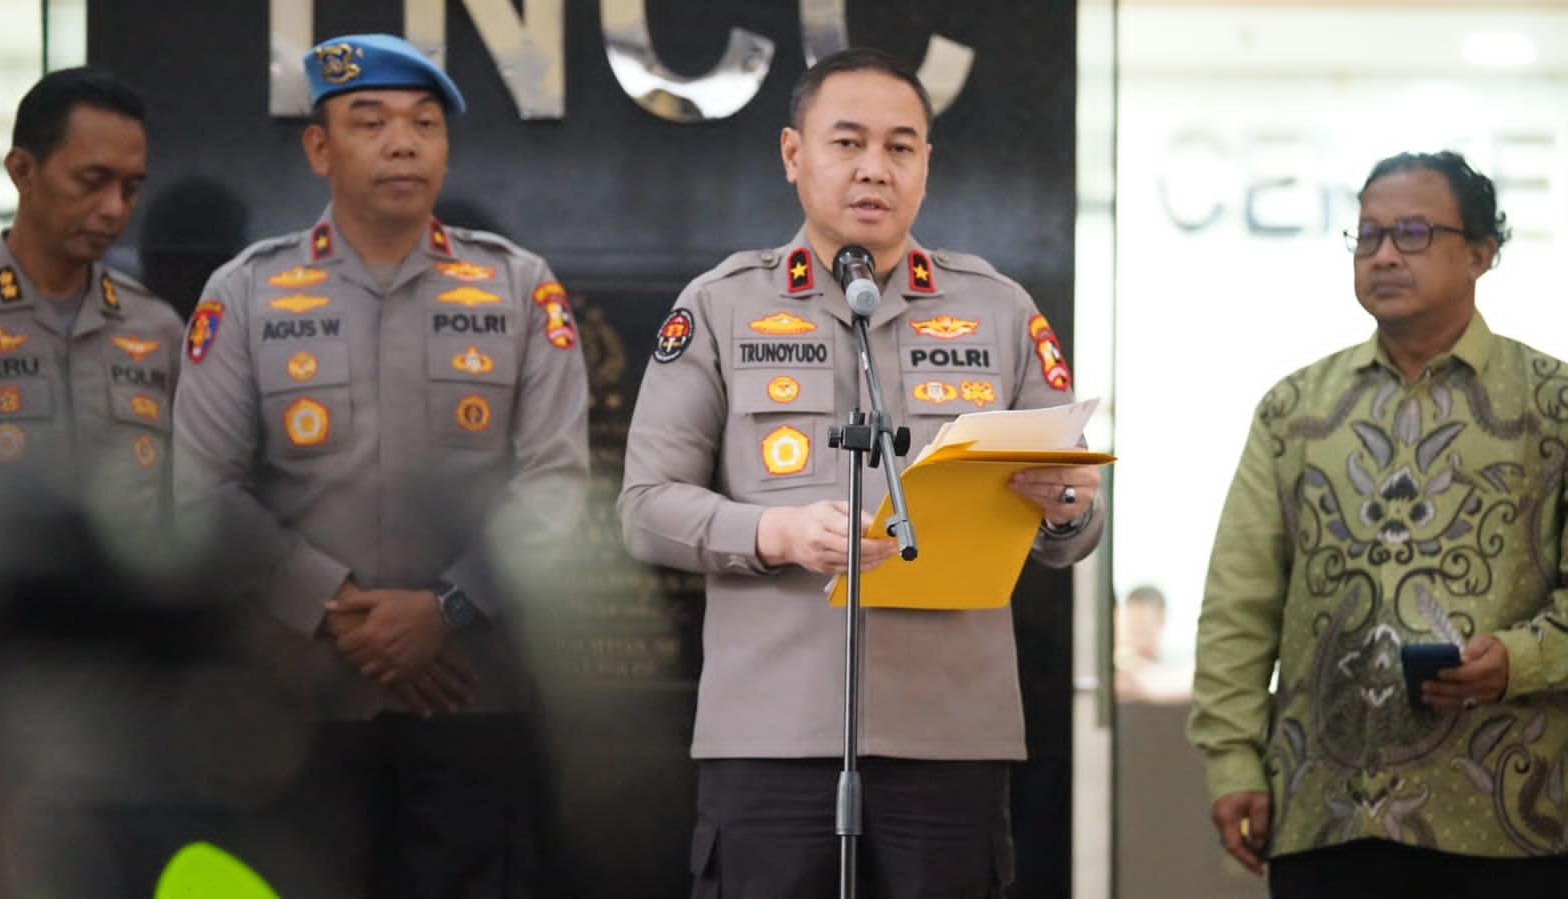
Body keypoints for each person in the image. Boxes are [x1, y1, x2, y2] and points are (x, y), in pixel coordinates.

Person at [618, 47, 1105, 898]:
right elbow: (644, 508)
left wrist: (1067, 508)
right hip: (771, 734)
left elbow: (1072, 528)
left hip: (949, 735)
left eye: (899, 147)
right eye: (847, 143)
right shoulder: (720, 305)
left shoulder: (998, 309)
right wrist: (774, 531)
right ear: (792, 154)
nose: (874, 168)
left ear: (925, 164)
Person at [172, 33, 589, 897]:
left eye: (424, 124)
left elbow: (556, 484)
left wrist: (446, 608)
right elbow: (202, 491)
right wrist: (341, 612)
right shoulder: (245, 293)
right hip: (297, 705)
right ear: (319, 148)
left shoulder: (519, 288)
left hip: (472, 700)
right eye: (371, 123)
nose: (403, 144)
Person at [1188, 150, 1568, 898]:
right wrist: (1232, 760)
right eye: (1367, 236)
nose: (1384, 254)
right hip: (1323, 815)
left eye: (1413, 233)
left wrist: (1516, 660)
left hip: (1511, 815)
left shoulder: (1552, 404)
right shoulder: (1295, 409)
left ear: (1480, 253)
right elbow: (1239, 602)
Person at [0, 67, 181, 541]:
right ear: (22, 171)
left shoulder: (156, 328)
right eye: (92, 180)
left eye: (130, 189)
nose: (113, 208)